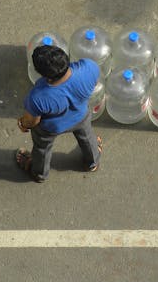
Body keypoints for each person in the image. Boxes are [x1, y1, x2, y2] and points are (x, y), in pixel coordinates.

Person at [15, 44, 102, 182]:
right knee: (87, 137)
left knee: (42, 149)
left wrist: (22, 123)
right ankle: (92, 162)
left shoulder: (38, 97)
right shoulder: (89, 67)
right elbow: (95, 83)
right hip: (81, 115)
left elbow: (33, 121)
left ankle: (39, 173)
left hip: (50, 128)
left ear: (42, 74)